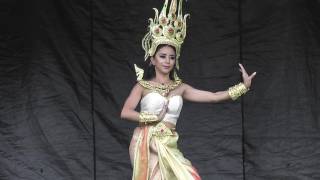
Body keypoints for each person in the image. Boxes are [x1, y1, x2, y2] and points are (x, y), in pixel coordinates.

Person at [120, 0, 256, 179]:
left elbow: (214, 97)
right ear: (152, 59)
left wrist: (243, 87)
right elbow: (125, 112)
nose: (167, 61)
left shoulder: (181, 87)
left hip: (169, 143)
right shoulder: (142, 86)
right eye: (162, 56)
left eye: (171, 57)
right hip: (146, 142)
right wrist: (153, 117)